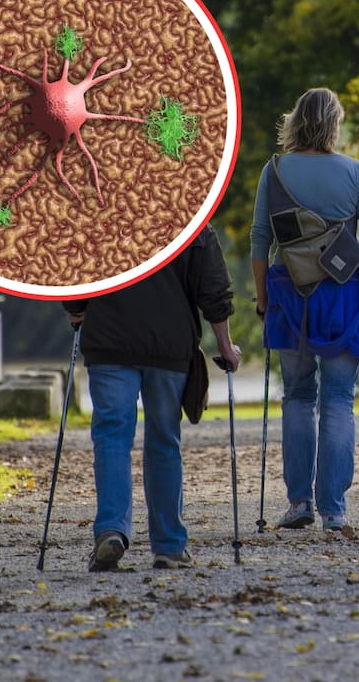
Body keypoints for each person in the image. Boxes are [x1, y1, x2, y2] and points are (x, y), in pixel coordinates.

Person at [64, 223, 242, 571]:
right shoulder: (192, 219)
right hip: (169, 344)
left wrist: (76, 306)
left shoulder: (99, 214)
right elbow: (214, 289)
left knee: (112, 435)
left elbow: (74, 272)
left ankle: (112, 530)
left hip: (109, 340)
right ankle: (170, 546)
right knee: (163, 440)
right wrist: (225, 345)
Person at [250, 88, 359, 532]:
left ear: (294, 121)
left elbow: (259, 240)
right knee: (339, 399)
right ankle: (334, 509)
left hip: (290, 293)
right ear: (334, 124)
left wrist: (263, 299)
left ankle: (298, 502)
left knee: (297, 395)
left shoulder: (275, 172)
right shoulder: (355, 172)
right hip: (344, 295)